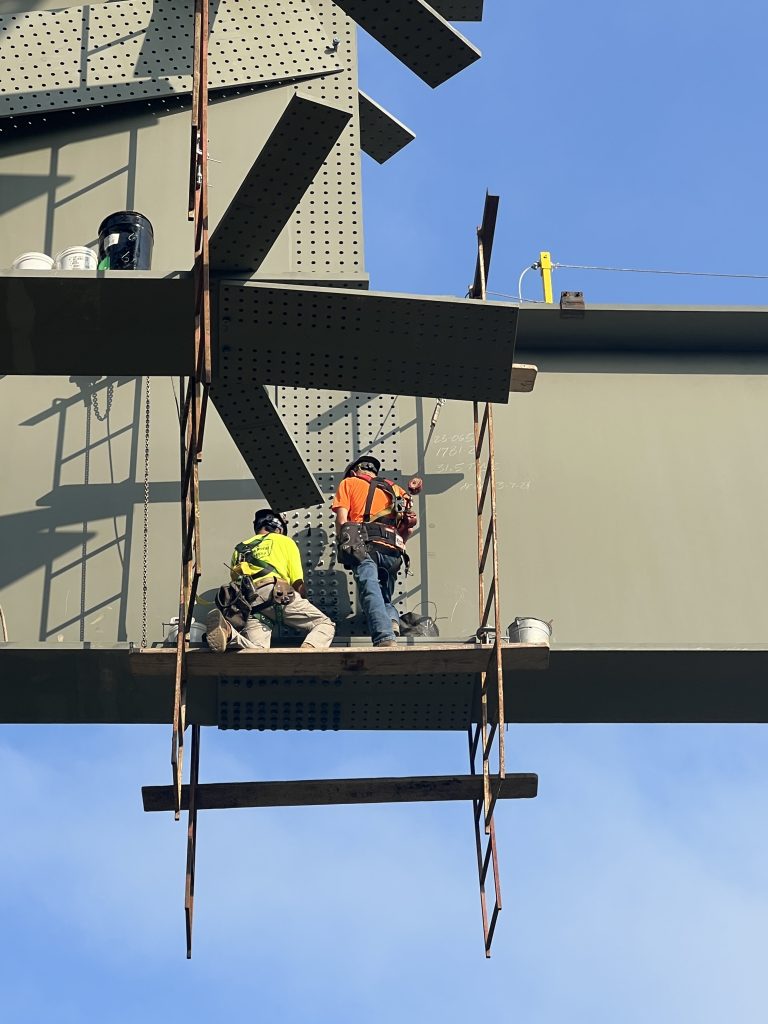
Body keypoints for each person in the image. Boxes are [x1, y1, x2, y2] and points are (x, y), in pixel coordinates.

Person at [206, 508, 335, 652]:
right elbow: (297, 582)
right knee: (324, 624)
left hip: (249, 603)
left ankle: (229, 633)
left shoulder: (239, 548)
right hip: (278, 593)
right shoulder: (285, 541)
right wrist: (304, 600)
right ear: (278, 528)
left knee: (257, 651)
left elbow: (236, 581)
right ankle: (308, 652)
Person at [332, 456, 416, 647]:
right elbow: (408, 527)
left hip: (365, 546)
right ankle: (392, 620)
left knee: (370, 591)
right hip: (393, 550)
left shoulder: (349, 483)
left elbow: (342, 520)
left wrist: (343, 544)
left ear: (354, 472)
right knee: (384, 595)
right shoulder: (396, 490)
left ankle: (384, 637)